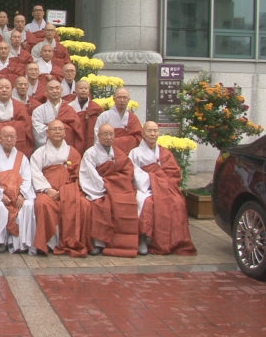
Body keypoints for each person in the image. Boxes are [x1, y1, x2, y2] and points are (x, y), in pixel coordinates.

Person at [129, 121, 197, 256]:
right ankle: (142, 238)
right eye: (149, 131)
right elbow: (132, 172)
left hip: (164, 186)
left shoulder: (165, 153)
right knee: (147, 203)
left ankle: (172, 240)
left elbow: (173, 172)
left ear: (159, 133)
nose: (152, 134)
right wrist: (153, 179)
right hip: (143, 188)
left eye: (155, 131)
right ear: (143, 133)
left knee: (177, 202)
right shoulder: (134, 153)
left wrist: (159, 181)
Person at [79, 123, 139, 257]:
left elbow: (127, 170)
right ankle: (98, 242)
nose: (108, 137)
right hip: (97, 189)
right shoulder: (90, 153)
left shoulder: (118, 152)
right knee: (100, 205)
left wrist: (113, 186)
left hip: (115, 187)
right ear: (98, 135)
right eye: (105, 134)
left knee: (125, 203)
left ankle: (118, 243)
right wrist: (106, 187)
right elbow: (89, 175)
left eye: (111, 134)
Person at [31, 120, 84, 256]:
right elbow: (35, 173)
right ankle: (46, 243)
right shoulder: (39, 153)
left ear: (65, 133)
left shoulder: (73, 152)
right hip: (47, 191)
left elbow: (78, 174)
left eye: (60, 129)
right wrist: (47, 189)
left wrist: (65, 191)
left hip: (68, 190)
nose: (57, 132)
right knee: (42, 204)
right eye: (54, 129)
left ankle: (70, 242)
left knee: (83, 204)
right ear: (47, 133)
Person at [0, 126, 36, 253]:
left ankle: (22, 242)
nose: (9, 140)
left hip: (18, 195)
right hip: (0, 196)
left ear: (16, 139)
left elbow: (27, 178)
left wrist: (22, 195)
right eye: (6, 137)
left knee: (28, 205)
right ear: (0, 139)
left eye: (12, 137)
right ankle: (0, 241)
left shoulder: (22, 158)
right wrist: (1, 195)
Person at [0, 78, 34, 161]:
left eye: (7, 88)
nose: (4, 90)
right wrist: (6, 131)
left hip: (15, 145)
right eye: (1, 87)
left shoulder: (20, 107)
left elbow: (26, 128)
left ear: (12, 90)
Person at [31, 80, 84, 151]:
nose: (54, 91)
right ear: (46, 92)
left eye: (57, 88)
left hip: (66, 147)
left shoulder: (69, 109)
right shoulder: (38, 111)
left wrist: (56, 130)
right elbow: (38, 130)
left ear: (61, 90)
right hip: (47, 149)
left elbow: (76, 128)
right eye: (51, 89)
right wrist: (58, 131)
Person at [94, 87, 143, 153]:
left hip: (128, 153)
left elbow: (138, 137)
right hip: (107, 152)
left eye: (125, 97)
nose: (122, 100)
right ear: (114, 99)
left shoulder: (133, 118)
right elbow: (97, 134)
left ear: (128, 100)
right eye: (119, 97)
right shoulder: (104, 116)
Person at [69, 81, 104, 150]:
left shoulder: (95, 107)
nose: (83, 90)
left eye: (86, 88)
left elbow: (101, 122)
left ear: (89, 90)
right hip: (75, 136)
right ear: (76, 90)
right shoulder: (70, 106)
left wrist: (91, 119)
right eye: (81, 88)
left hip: (89, 135)